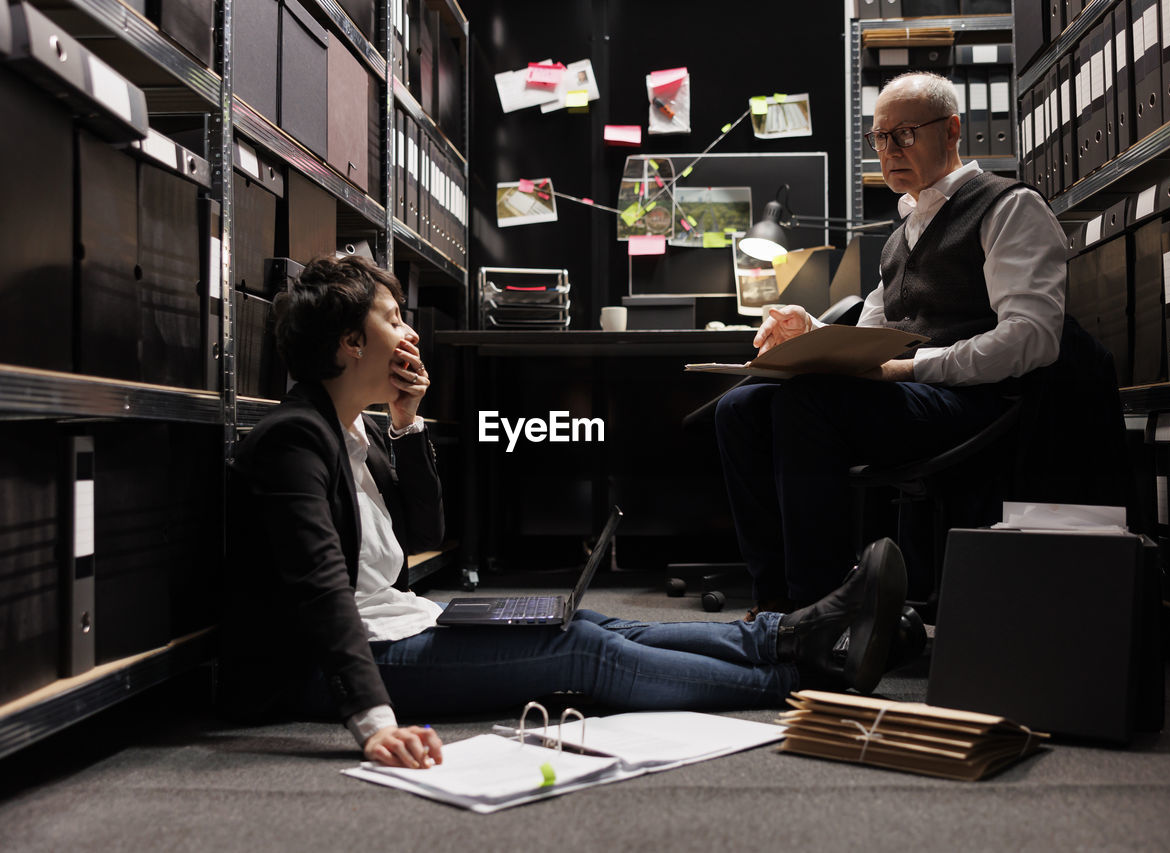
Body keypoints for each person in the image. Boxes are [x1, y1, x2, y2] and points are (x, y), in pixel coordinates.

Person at [218, 255, 914, 770]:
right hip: (334, 664)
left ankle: (789, 635)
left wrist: (407, 421)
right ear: (348, 343)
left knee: (583, 618)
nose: (411, 335)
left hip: (397, 624)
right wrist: (372, 722)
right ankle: (803, 671)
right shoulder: (293, 440)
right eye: (393, 319)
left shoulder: (356, 432)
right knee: (576, 650)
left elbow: (421, 539)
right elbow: (320, 590)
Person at [715, 70, 1067, 617]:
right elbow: (866, 340)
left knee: (808, 404)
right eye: (880, 138)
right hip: (911, 397)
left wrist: (909, 370)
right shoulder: (901, 233)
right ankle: (776, 604)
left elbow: (1033, 338)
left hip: (977, 401)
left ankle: (822, 613)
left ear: (951, 131)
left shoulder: (1009, 207)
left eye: (904, 134)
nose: (889, 150)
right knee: (739, 408)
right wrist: (807, 333)